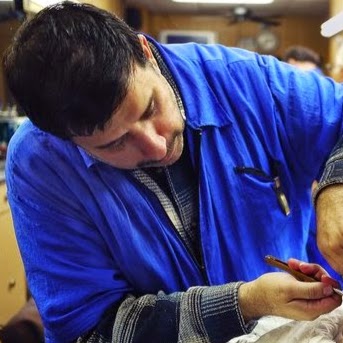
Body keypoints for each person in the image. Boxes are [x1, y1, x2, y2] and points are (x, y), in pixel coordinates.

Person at [3, 2, 343, 342]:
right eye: (114, 144)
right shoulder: (41, 163)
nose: (155, 147)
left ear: (145, 52)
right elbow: (90, 330)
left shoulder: (243, 81)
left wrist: (334, 187)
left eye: (149, 108)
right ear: (67, 141)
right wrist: (244, 303)